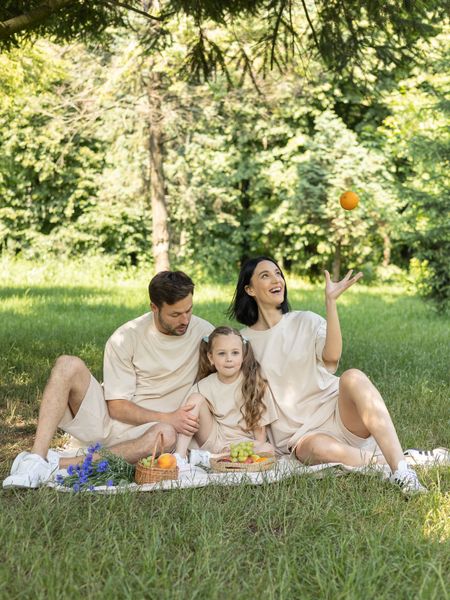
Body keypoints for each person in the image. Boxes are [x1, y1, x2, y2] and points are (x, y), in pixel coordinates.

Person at [228, 256, 427, 495]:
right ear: (249, 289)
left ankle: (403, 472)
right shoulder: (243, 342)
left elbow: (332, 358)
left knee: (352, 376)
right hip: (302, 435)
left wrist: (330, 302)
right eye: (265, 275)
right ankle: (402, 461)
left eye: (278, 273)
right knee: (318, 449)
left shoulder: (305, 320)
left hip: (337, 412)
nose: (276, 279)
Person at [3, 270, 214, 489]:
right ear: (154, 307)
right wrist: (169, 416)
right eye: (175, 314)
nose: (185, 320)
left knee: (166, 435)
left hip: (153, 432)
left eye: (189, 310)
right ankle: (36, 458)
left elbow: (232, 367)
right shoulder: (126, 337)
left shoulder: (204, 333)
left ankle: (57, 465)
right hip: (108, 422)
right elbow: (117, 407)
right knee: (67, 364)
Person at [174, 326, 277, 463]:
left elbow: (260, 430)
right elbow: (188, 418)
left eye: (235, 353)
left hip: (243, 444)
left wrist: (259, 452)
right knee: (195, 398)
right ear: (211, 357)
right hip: (213, 440)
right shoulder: (204, 386)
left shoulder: (254, 384)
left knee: (268, 449)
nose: (229, 359)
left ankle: (212, 459)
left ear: (243, 355)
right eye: (222, 354)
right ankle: (179, 457)